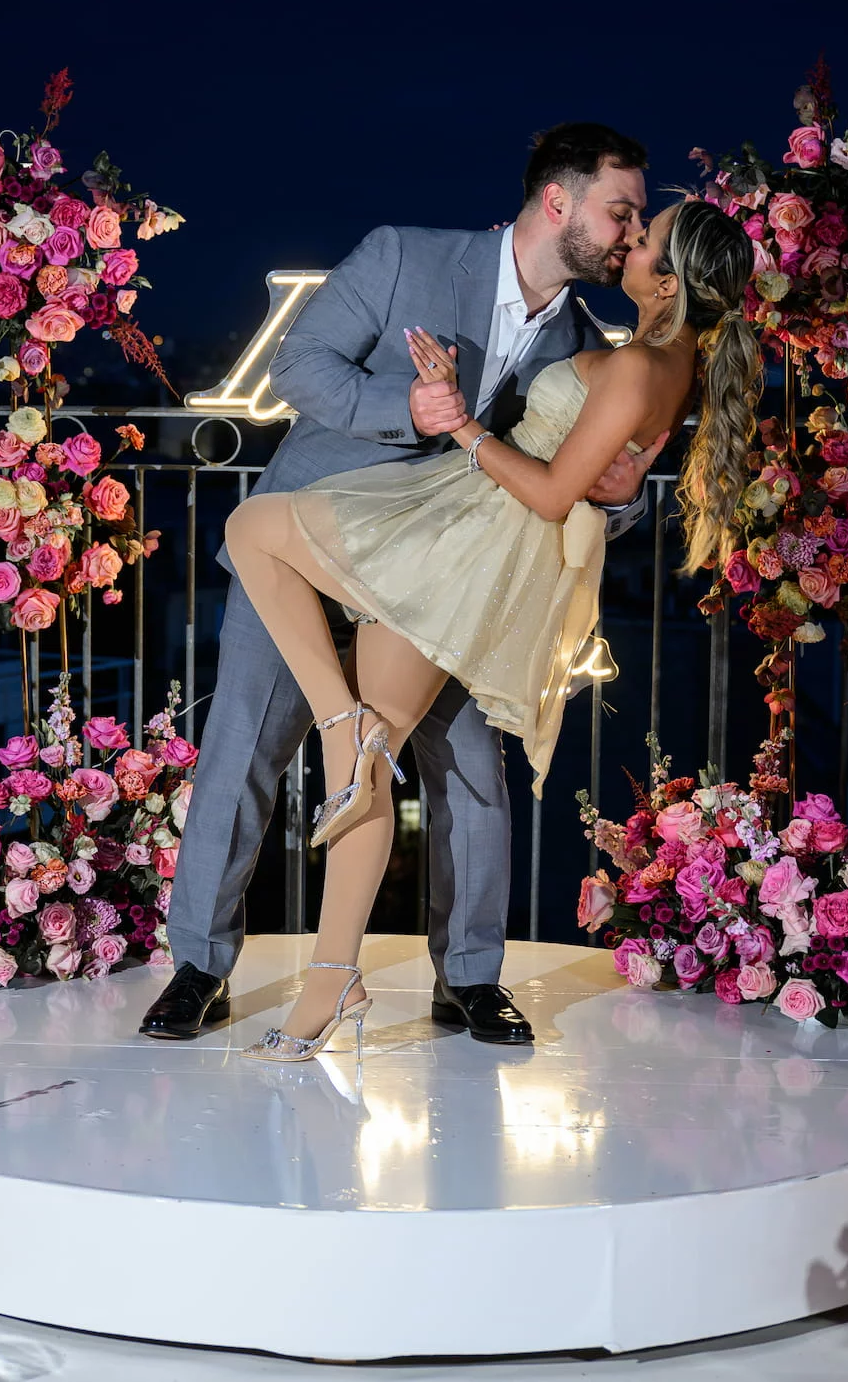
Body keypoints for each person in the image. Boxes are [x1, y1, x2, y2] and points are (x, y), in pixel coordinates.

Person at [141, 123, 664, 1048]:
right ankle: (199, 965)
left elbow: (580, 478)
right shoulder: (402, 255)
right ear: (559, 201)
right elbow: (300, 366)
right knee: (242, 751)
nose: (629, 233)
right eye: (618, 210)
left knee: (467, 768)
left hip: (446, 582)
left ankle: (466, 975)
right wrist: (406, 409)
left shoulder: (588, 338)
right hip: (317, 543)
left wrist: (619, 500)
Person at [224, 197, 761, 1064]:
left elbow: (554, 491)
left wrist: (465, 424)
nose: (627, 240)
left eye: (644, 235)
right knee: (274, 570)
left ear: (667, 280)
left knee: (256, 537)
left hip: (478, 540)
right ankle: (334, 944)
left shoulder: (640, 366)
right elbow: (604, 479)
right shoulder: (671, 363)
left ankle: (329, 975)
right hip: (468, 526)